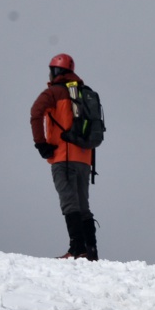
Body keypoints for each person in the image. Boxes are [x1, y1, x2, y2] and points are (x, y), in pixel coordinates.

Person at [29, 53, 100, 260]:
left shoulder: (54, 92)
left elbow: (35, 113)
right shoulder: (83, 92)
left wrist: (41, 144)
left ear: (55, 71)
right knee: (83, 205)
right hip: (85, 158)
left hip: (63, 156)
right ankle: (91, 251)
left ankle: (77, 249)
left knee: (70, 204)